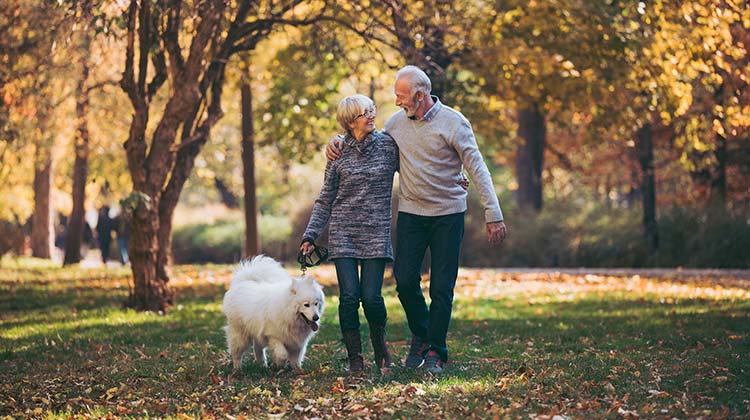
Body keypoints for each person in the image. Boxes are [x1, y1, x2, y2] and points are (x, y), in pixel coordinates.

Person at [326, 65, 508, 374]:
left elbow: (477, 168)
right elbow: (368, 146)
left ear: (420, 95)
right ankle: (422, 334)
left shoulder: (454, 123)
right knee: (406, 280)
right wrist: (335, 142)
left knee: (441, 287)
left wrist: (494, 213)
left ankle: (436, 350)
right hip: (411, 214)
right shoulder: (396, 125)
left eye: (401, 96)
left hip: (448, 215)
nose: (396, 102)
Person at [300, 94, 400, 374]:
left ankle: (381, 351)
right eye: (362, 114)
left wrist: (454, 177)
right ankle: (355, 358)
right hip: (343, 232)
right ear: (348, 122)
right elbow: (326, 197)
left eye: (371, 110)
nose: (370, 116)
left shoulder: (389, 146)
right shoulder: (338, 151)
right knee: (348, 298)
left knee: (371, 298)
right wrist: (310, 235)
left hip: (376, 232)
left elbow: (417, 170)